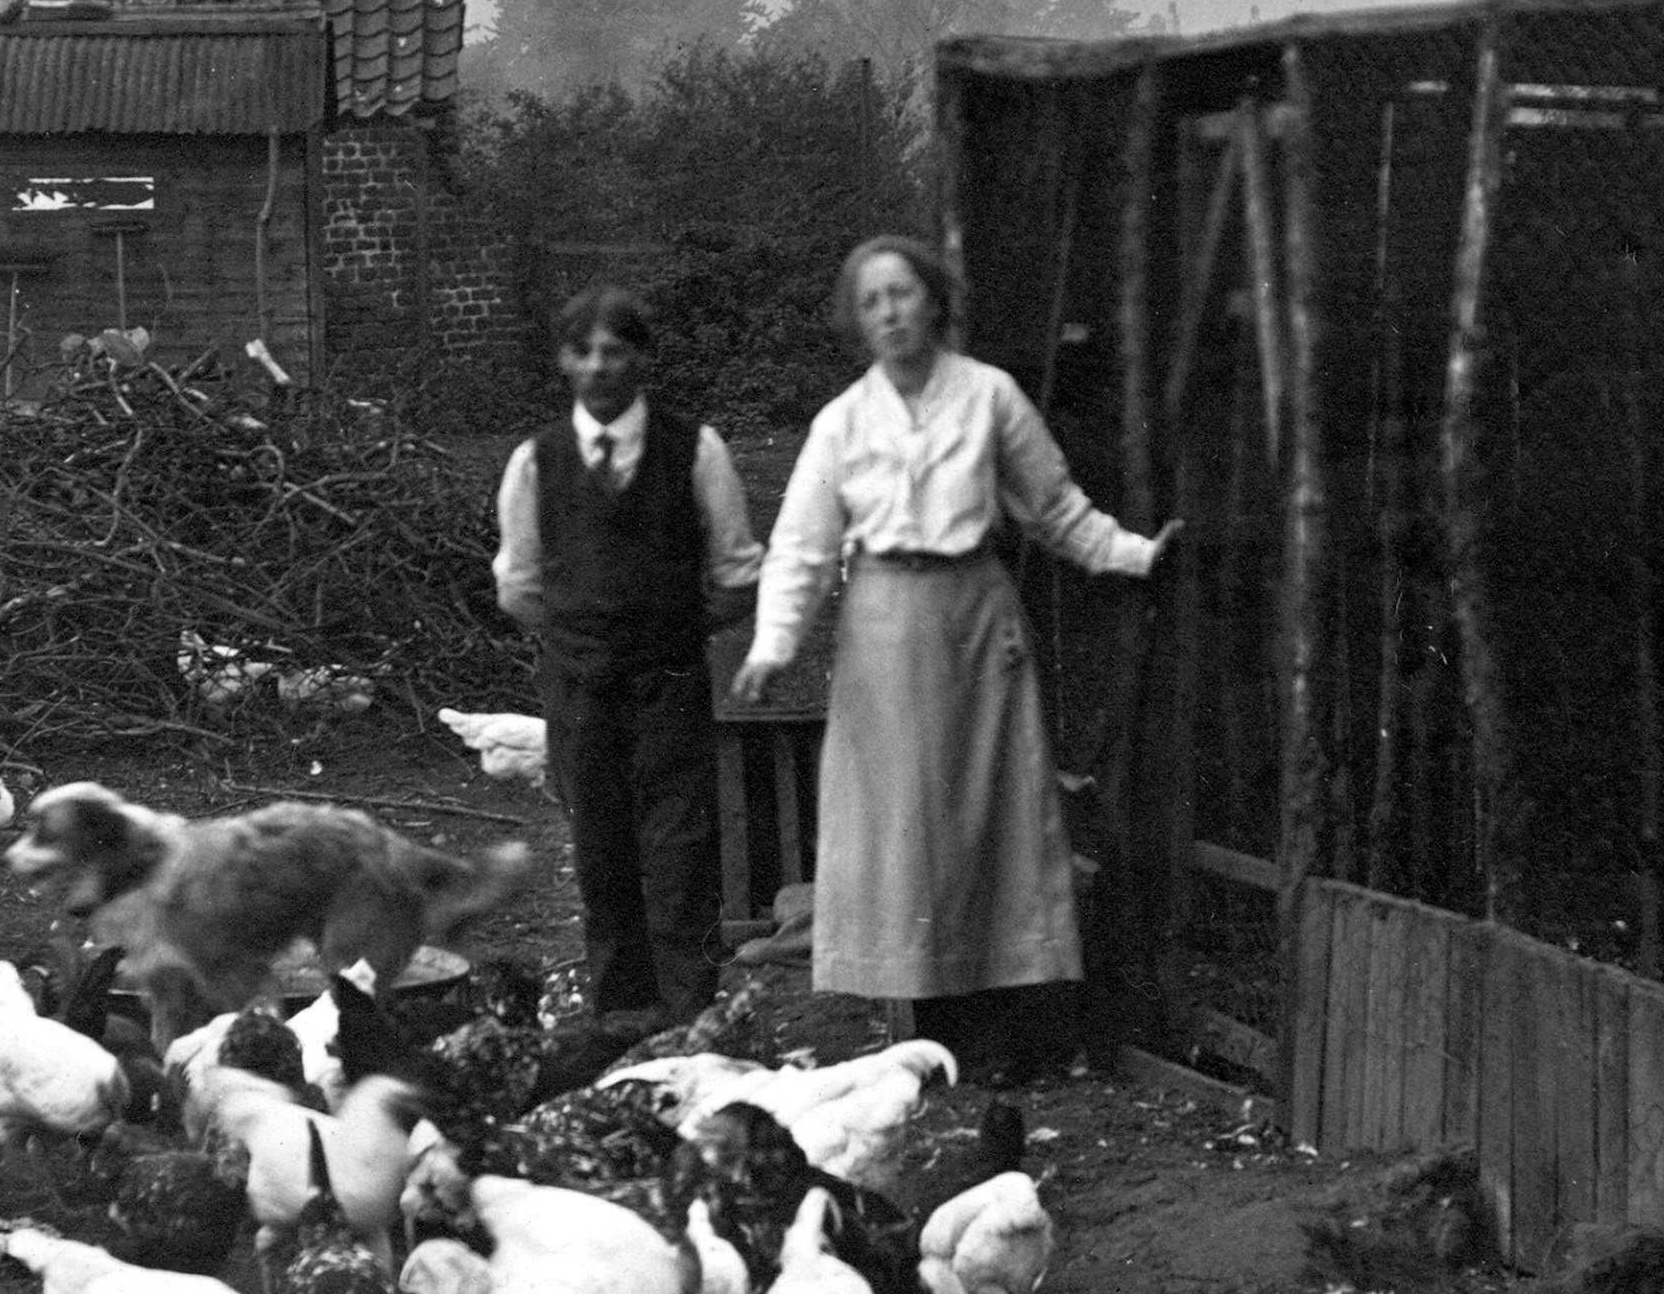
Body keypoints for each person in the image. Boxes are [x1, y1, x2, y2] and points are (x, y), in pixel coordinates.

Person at [731, 236, 1178, 1083]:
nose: (891, 313)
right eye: (872, 301)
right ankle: (936, 1043)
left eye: (903, 293)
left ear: (935, 301)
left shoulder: (989, 398)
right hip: (885, 635)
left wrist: (1134, 555)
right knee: (911, 836)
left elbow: (1056, 509)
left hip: (976, 623)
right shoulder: (843, 423)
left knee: (992, 825)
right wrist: (773, 646)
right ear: (856, 322)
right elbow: (801, 547)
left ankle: (1014, 1041)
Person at [492, 286, 766, 1024]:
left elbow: (739, 572)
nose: (599, 367)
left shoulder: (696, 450)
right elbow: (518, 585)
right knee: (601, 843)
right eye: (583, 352)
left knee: (680, 846)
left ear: (643, 358)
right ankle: (619, 1016)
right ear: (562, 362)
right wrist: (585, 637)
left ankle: (690, 1017)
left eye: (615, 351)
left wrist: (673, 629)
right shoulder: (536, 462)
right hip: (580, 685)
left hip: (670, 677)